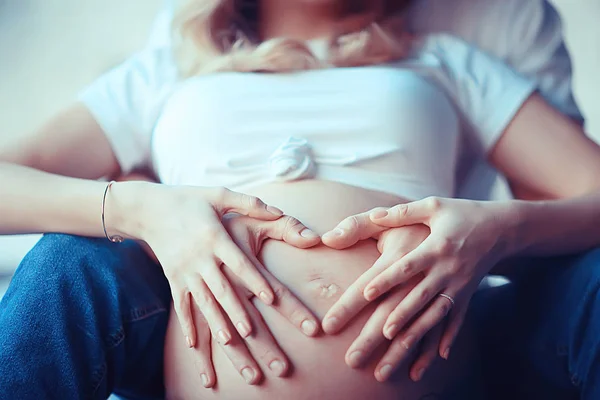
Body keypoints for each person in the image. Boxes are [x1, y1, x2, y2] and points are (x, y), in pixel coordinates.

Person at [0, 1, 592, 400]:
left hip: (440, 361)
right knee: (66, 263)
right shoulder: (167, 73)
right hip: (190, 353)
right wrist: (142, 211)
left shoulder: (444, 62)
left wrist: (499, 230)